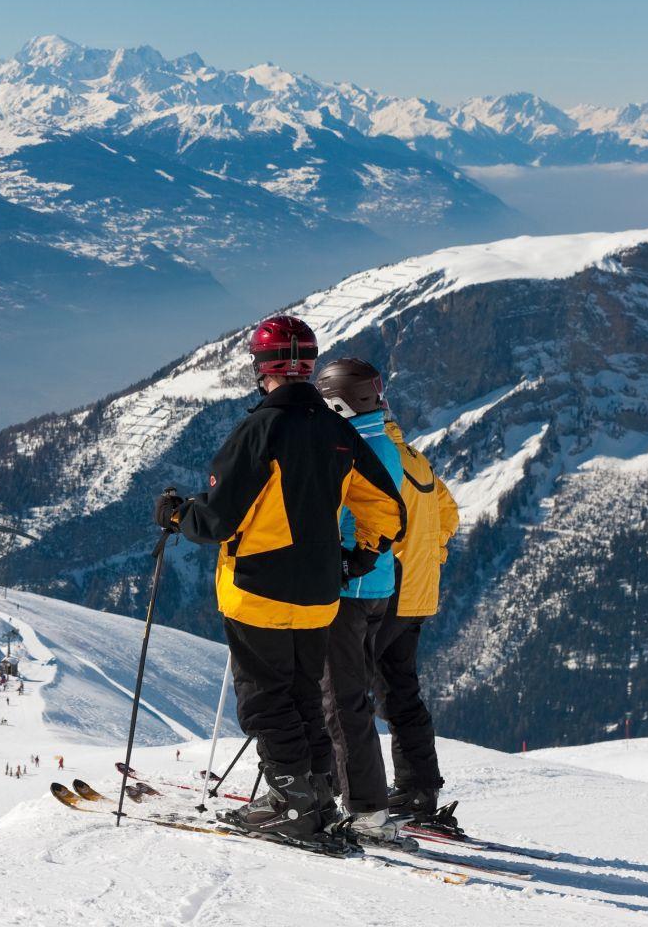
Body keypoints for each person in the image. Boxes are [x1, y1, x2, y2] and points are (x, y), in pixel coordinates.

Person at [162, 315, 405, 844]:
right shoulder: (339, 432)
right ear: (309, 367)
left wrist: (179, 515)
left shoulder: (260, 430)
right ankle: (315, 798)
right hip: (319, 593)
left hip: (259, 588)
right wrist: (359, 557)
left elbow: (220, 520)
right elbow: (387, 508)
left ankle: (292, 805)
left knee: (266, 700)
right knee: (303, 697)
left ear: (261, 367)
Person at [313, 357, 411, 843]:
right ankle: (341, 791)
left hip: (348, 589)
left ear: (339, 404)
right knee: (347, 696)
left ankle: (367, 811)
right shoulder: (384, 440)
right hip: (377, 588)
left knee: (341, 701)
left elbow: (335, 516)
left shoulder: (353, 448)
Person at [378, 394, 461, 826]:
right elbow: (448, 514)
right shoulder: (415, 458)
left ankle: (336, 787)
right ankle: (418, 789)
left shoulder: (374, 456)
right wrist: (430, 553)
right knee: (400, 692)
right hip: (417, 593)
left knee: (341, 691)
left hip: (385, 590)